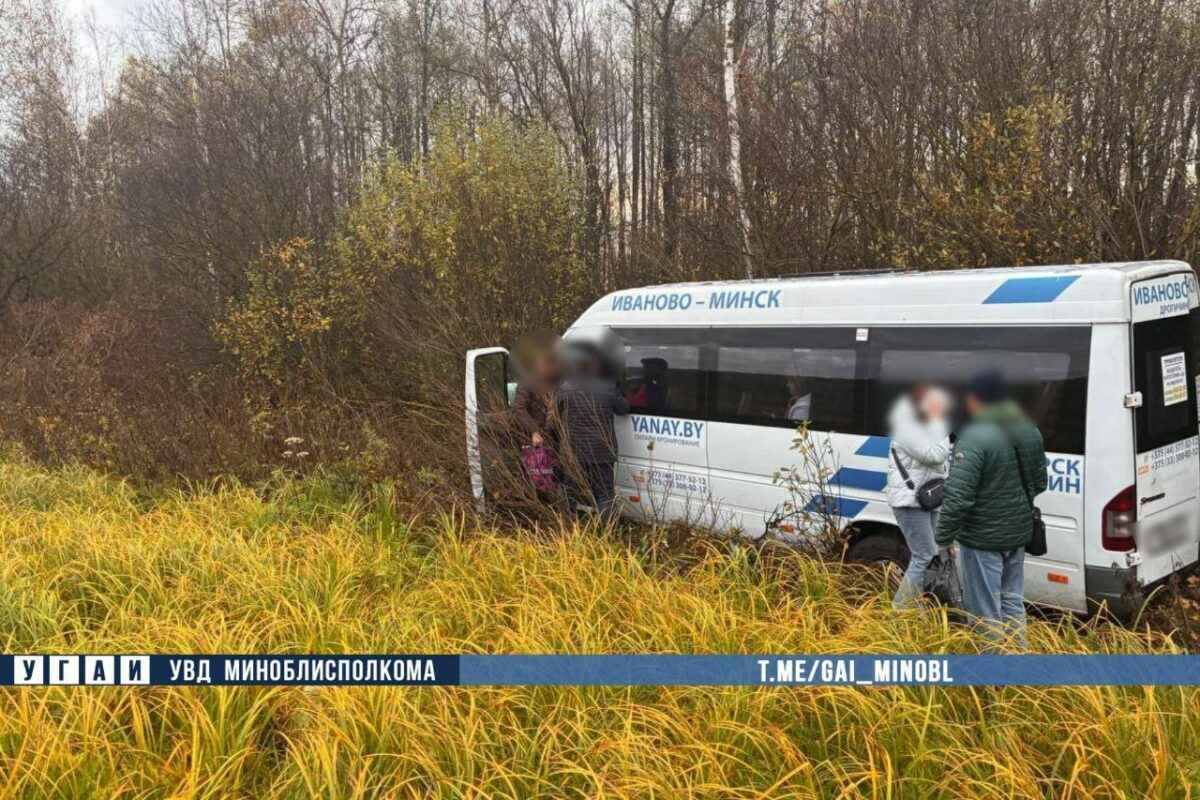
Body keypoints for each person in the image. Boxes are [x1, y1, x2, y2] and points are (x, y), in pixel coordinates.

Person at [935, 370, 1046, 646]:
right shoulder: (1029, 430)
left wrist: (943, 538)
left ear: (975, 399)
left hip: (982, 539)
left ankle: (993, 669)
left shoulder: (973, 437)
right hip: (1017, 533)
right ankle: (1017, 661)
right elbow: (1040, 482)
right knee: (1012, 601)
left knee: (984, 612)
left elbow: (957, 498)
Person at [885, 383, 952, 609]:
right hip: (910, 501)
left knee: (932, 554)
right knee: (924, 555)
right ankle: (900, 610)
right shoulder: (906, 429)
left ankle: (916, 606)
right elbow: (934, 456)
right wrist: (945, 430)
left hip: (927, 501)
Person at [556, 344, 630, 517]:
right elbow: (624, 408)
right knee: (604, 494)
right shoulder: (608, 386)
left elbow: (556, 415)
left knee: (570, 493)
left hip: (575, 451)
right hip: (601, 451)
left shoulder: (565, 387)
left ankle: (567, 527)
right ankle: (606, 529)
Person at [513, 347, 561, 450]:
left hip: (555, 438)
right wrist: (534, 431)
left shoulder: (557, 381)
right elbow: (519, 408)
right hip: (534, 440)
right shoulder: (526, 382)